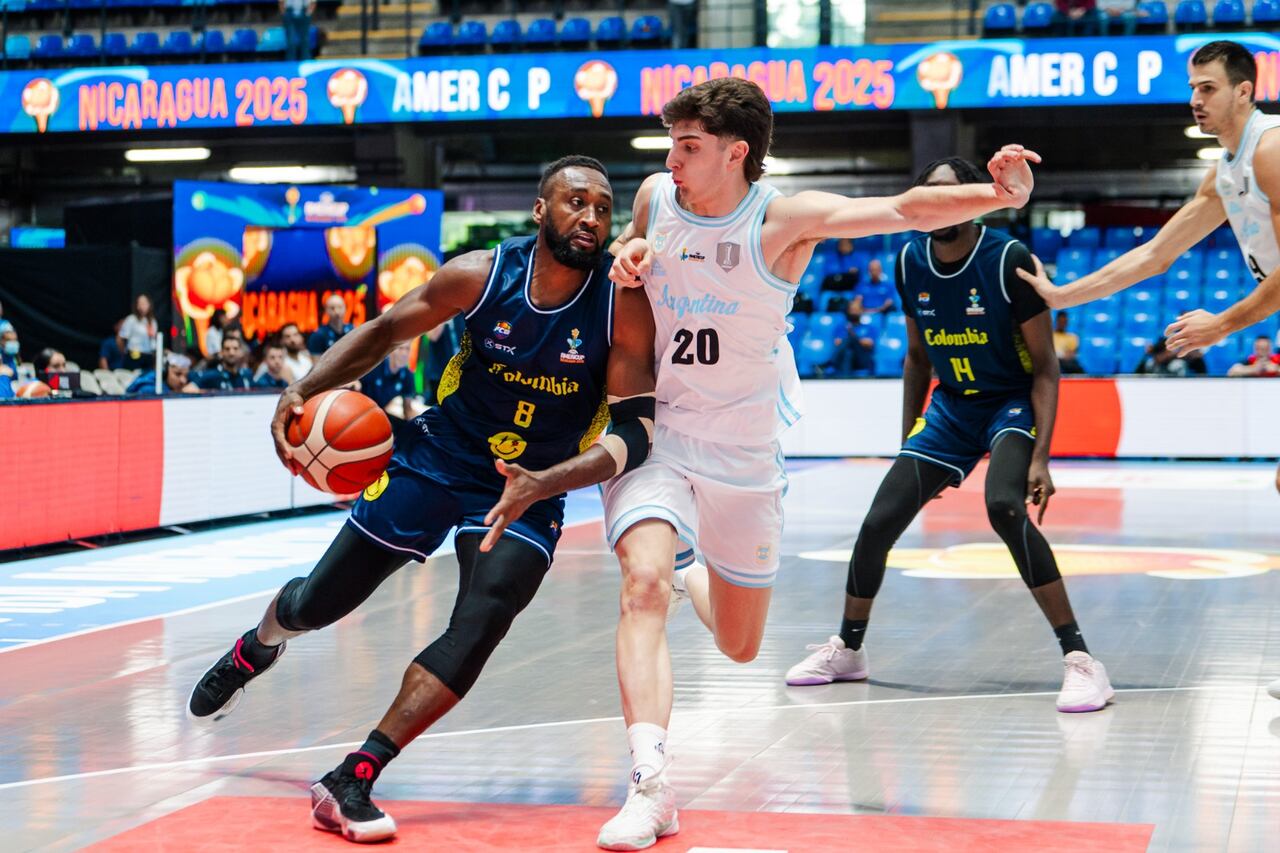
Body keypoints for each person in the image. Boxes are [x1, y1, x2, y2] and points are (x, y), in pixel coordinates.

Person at [597, 76, 1040, 851]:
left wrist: (997, 198)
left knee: (739, 644)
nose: (672, 157)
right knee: (638, 587)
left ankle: (685, 570)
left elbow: (903, 211)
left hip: (742, 450)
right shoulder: (652, 199)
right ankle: (652, 784)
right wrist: (626, 255)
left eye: (689, 146)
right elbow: (632, 269)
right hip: (661, 435)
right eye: (670, 142)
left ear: (736, 154)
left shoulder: (783, 218)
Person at [184, 156, 657, 845]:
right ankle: (259, 644)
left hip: (533, 482)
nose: (589, 217)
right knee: (319, 602)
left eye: (601, 208)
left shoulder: (621, 302)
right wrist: (307, 387)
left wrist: (546, 482)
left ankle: (355, 773)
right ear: (539, 210)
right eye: (574, 202)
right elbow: (383, 333)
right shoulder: (481, 274)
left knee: (484, 618)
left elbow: (634, 429)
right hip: (440, 454)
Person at [785, 157, 1112, 718]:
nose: (935, 206)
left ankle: (1081, 659)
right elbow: (916, 357)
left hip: (1008, 403)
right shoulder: (910, 260)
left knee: (1005, 508)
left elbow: (1045, 367)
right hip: (950, 410)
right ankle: (849, 649)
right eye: (926, 196)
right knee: (877, 522)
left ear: (969, 198)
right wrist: (908, 438)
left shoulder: (1007, 257)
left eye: (946, 195)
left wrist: (1041, 457)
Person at [1019, 41, 1280, 521]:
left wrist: (1221, 324)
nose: (1195, 99)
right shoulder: (1224, 171)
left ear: (1244, 92)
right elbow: (1154, 256)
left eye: (1209, 88)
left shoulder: (1271, 149)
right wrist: (1061, 294)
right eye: (1192, 89)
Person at [362, 342, 424, 419]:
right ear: (390, 350)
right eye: (400, 348)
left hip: (382, 416)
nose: (404, 353)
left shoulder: (408, 375)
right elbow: (356, 386)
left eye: (407, 349)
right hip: (363, 413)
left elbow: (407, 409)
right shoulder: (374, 366)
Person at [119, 294, 158, 368]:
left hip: (148, 354)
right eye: (140, 303)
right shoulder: (131, 319)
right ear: (137, 306)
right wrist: (124, 353)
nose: (142, 306)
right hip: (134, 353)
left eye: (144, 303)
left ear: (149, 305)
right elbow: (121, 338)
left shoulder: (153, 322)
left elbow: (153, 340)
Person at [126, 353, 197, 395]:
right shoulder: (148, 389)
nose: (183, 381)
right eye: (177, 374)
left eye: (186, 376)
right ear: (165, 373)